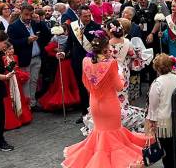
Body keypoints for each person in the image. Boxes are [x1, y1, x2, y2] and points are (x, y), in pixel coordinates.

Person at [62, 33, 150, 168]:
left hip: (94, 102)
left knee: (100, 132)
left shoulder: (86, 61)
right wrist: (120, 75)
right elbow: (119, 86)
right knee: (113, 131)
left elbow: (86, 82)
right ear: (105, 48)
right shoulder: (111, 64)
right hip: (109, 103)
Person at [146, 54, 176, 168]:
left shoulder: (157, 83)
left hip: (164, 123)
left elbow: (153, 106)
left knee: (166, 152)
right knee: (174, 149)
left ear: (157, 68)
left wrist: (151, 122)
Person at [39, 23, 80, 111]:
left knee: (63, 82)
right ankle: (71, 101)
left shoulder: (54, 39)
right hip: (66, 62)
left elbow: (47, 49)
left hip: (62, 63)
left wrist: (56, 51)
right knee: (69, 82)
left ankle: (68, 101)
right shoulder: (66, 38)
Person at [1, 42, 32, 130]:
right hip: (9, 80)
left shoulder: (15, 57)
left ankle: (22, 117)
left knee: (19, 96)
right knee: (10, 98)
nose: (12, 50)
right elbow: (4, 71)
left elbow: (17, 68)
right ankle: (12, 120)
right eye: (10, 49)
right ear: (5, 50)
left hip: (16, 79)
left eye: (12, 48)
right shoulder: (3, 58)